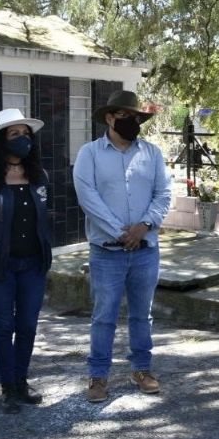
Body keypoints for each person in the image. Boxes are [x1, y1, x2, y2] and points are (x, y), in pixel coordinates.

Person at [73, 90, 171, 403]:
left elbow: (163, 194)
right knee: (104, 316)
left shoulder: (152, 153)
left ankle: (142, 369)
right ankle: (98, 376)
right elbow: (88, 198)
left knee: (143, 315)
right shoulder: (89, 153)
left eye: (137, 117)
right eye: (126, 116)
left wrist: (144, 227)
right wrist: (120, 232)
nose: (133, 122)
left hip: (145, 250)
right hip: (106, 253)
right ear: (109, 117)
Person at [0, 109, 52, 414]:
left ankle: (21, 382)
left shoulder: (39, 175)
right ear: (0, 142)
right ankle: (7, 388)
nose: (22, 139)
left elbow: (41, 220)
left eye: (26, 134)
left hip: (32, 264)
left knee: (27, 325)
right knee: (3, 326)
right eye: (14, 134)